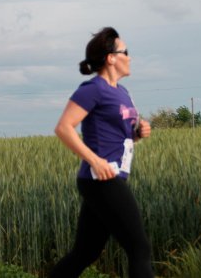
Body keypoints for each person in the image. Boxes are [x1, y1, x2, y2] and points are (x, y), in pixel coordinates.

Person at [49, 27, 154, 278]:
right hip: (101, 180)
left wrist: (138, 134)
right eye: (125, 51)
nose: (130, 57)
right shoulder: (93, 89)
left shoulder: (122, 93)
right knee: (139, 248)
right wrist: (95, 161)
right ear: (111, 57)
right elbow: (64, 128)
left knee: (85, 253)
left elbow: (121, 137)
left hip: (107, 178)